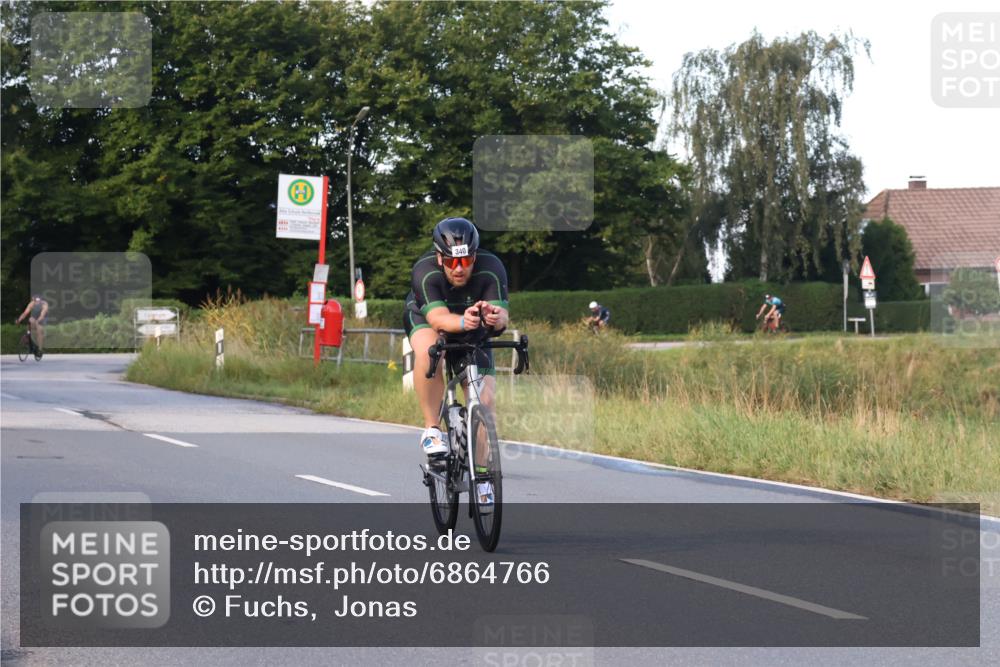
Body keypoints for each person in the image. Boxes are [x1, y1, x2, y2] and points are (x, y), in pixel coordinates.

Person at [403, 218, 510, 495]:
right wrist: (464, 322)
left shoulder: (491, 267)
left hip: (472, 323)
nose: (459, 268)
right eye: (451, 262)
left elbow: (502, 317)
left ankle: (482, 478)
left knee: (486, 400)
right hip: (428, 318)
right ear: (440, 258)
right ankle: (432, 430)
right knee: (431, 350)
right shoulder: (425, 271)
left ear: (475, 256)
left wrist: (495, 318)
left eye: (466, 261)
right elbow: (438, 319)